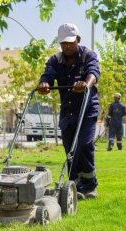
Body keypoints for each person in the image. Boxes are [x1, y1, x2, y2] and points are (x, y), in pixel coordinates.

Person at [37, 23, 100, 199]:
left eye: (70, 42)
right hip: (68, 110)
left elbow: (93, 72)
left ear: (77, 40)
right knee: (70, 148)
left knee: (85, 143)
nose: (67, 46)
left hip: (87, 108)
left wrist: (85, 84)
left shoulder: (88, 55)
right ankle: (74, 185)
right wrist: (44, 83)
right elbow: (48, 74)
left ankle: (89, 185)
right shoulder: (55, 60)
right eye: (63, 43)